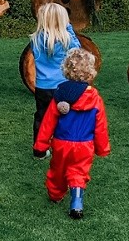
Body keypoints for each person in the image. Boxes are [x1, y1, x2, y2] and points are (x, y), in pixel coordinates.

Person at [32, 48, 110, 219]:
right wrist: (102, 148)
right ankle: (76, 202)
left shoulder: (60, 94)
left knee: (57, 170)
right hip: (84, 145)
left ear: (66, 69)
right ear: (90, 72)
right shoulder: (95, 98)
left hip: (61, 143)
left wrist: (41, 144)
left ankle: (55, 194)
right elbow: (101, 126)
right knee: (78, 171)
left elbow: (48, 122)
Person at [30, 3, 80, 152]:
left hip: (42, 86)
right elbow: (77, 49)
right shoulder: (67, 40)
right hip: (63, 86)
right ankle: (63, 148)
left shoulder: (35, 39)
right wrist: (69, 29)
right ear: (63, 20)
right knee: (65, 117)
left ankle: (39, 150)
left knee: (42, 118)